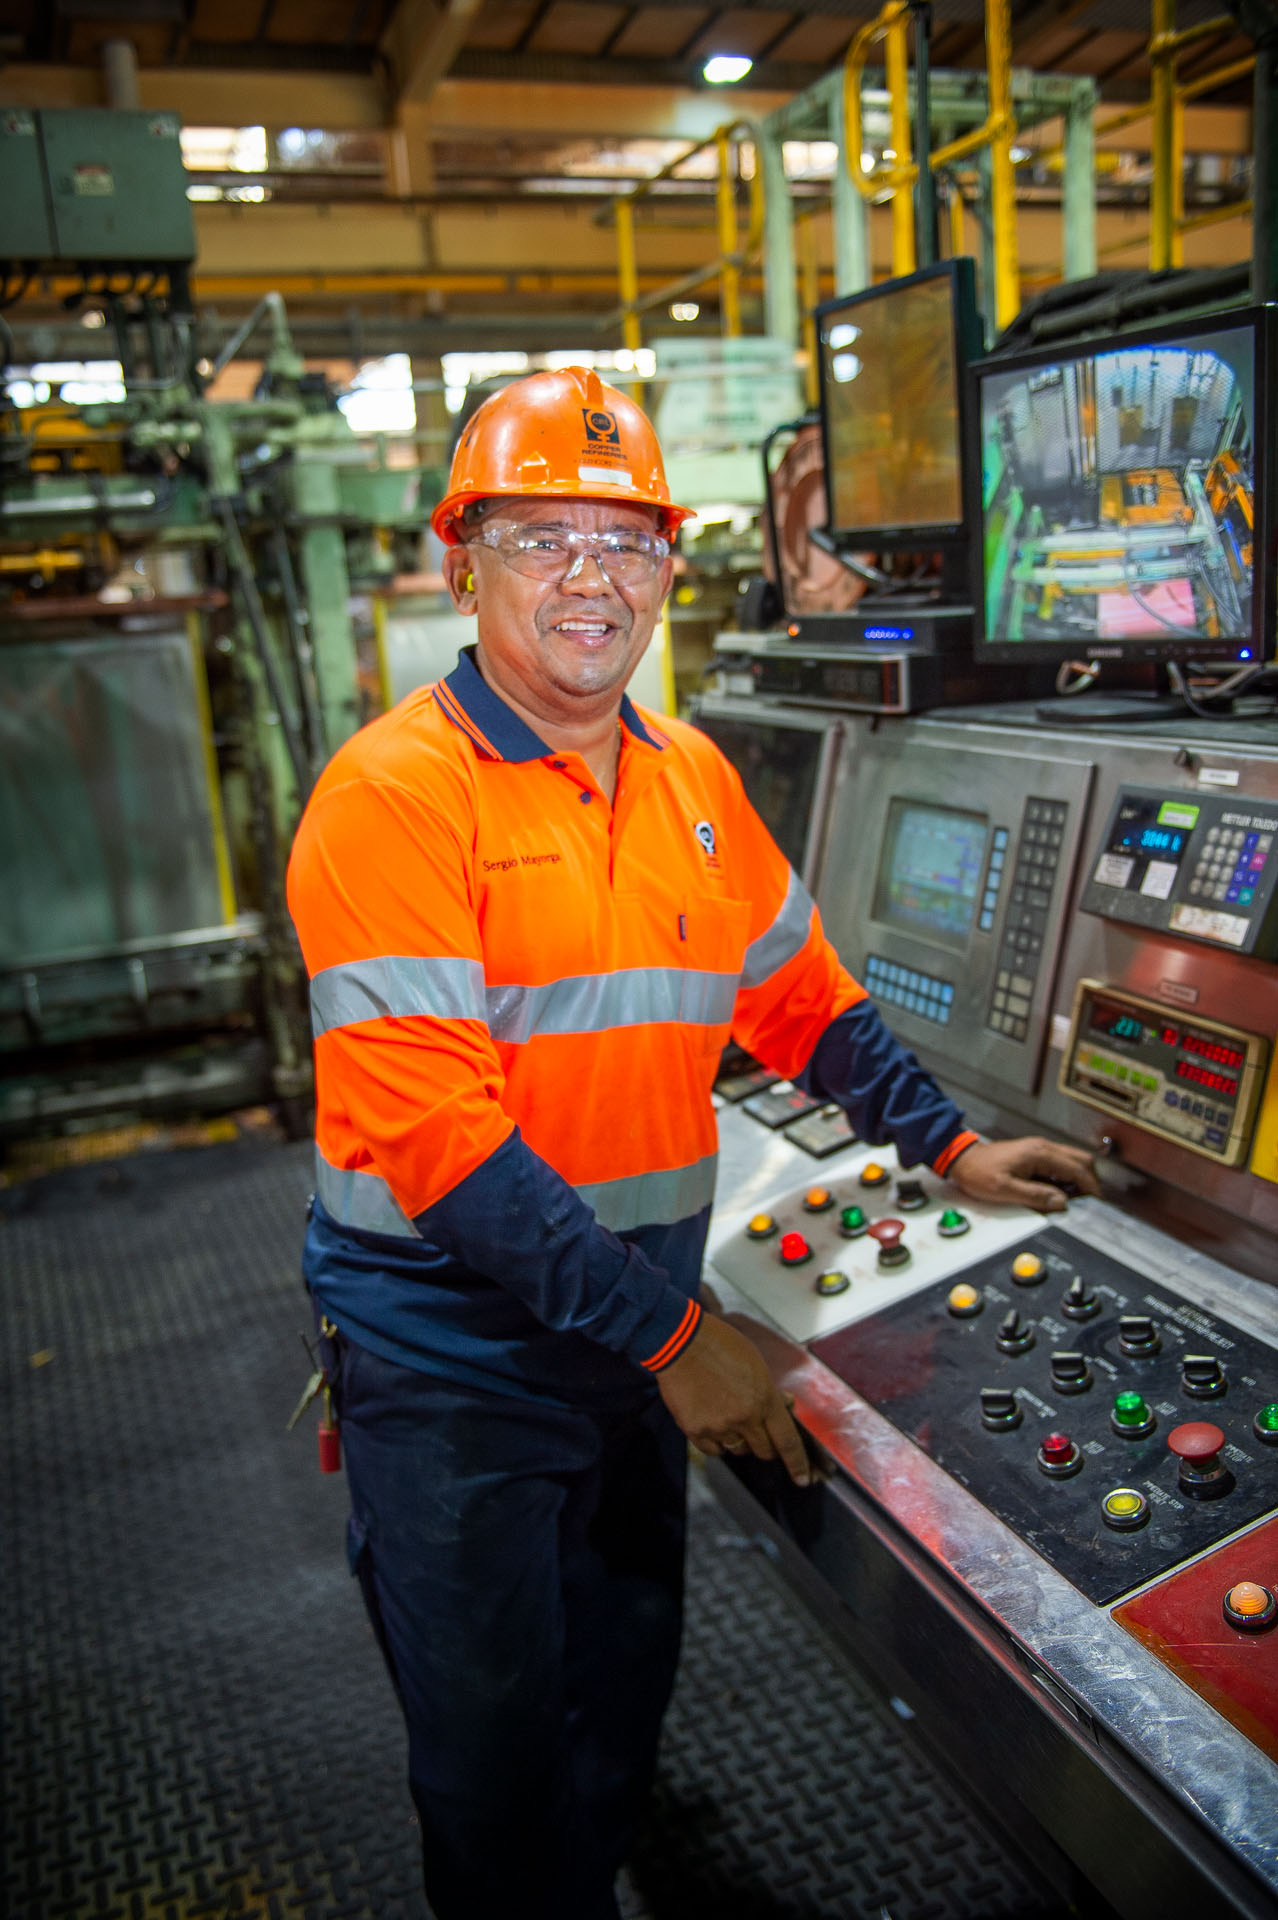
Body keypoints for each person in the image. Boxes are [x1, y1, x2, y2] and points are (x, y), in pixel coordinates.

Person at [286, 366, 1099, 1920]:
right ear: (462, 560)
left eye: (627, 541)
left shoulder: (688, 780)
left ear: (669, 566)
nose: (591, 577)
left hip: (628, 1335)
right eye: (542, 538)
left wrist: (949, 1147)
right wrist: (677, 1342)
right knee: (488, 1753)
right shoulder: (394, 796)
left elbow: (800, 1001)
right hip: (457, 1359)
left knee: (617, 1686)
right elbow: (434, 1136)